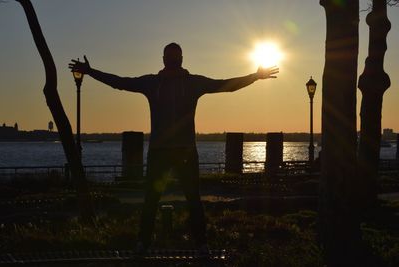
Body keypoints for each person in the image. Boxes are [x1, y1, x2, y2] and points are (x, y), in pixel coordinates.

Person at [69, 43, 279, 253]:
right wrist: (91, 71)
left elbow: (225, 85)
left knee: (185, 199)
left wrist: (254, 76)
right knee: (157, 199)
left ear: (168, 59)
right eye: (171, 56)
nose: (171, 60)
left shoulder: (185, 82)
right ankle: (149, 243)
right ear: (175, 59)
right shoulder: (157, 82)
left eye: (172, 56)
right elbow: (120, 83)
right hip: (166, 152)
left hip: (181, 151)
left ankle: (195, 243)